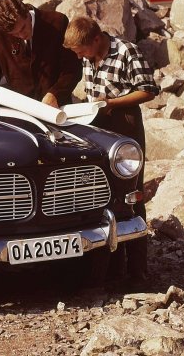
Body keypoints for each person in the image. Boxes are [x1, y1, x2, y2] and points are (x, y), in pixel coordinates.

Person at [63, 16, 159, 283]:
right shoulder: (87, 56)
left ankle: (137, 270)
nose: (79, 55)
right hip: (100, 125)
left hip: (124, 121)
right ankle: (111, 270)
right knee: (105, 194)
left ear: (96, 39)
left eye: (81, 50)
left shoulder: (127, 51)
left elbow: (149, 90)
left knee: (131, 193)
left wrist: (114, 103)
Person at [0, 0, 81, 107]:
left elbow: (73, 69)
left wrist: (55, 94)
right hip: (21, 111)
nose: (21, 35)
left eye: (23, 28)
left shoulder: (58, 22)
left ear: (27, 13)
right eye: (14, 34)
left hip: (56, 108)